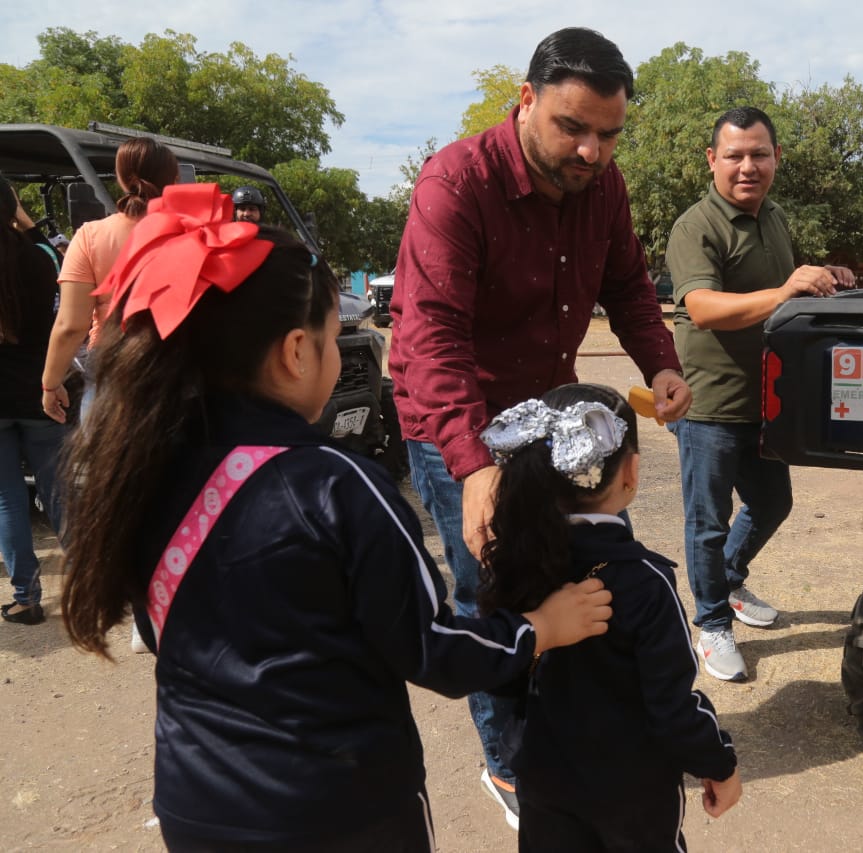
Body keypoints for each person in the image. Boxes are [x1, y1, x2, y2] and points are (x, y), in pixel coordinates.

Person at [57, 183, 613, 850]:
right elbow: (430, 647)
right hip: (341, 811)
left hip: (195, 801)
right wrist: (537, 628)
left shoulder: (141, 472)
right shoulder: (337, 484)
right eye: (330, 337)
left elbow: (157, 623)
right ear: (296, 352)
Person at [389, 26, 692, 827]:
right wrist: (472, 465)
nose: (592, 152)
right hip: (455, 424)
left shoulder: (605, 186)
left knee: (567, 576)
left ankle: (563, 731)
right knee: (495, 589)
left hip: (544, 423)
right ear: (525, 100)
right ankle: (512, 764)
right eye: (573, 127)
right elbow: (431, 333)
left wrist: (660, 360)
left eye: (608, 134)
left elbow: (629, 284)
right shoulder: (455, 183)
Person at [478, 383, 740, 850]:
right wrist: (719, 762)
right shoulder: (644, 582)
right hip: (632, 793)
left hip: (542, 780)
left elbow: (495, 677)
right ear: (631, 472)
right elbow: (673, 709)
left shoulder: (511, 565)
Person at [665, 107, 853, 682]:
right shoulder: (696, 227)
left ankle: (728, 581)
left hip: (764, 402)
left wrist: (819, 274)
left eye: (759, 154)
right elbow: (701, 308)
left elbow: (779, 286)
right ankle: (713, 622)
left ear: (775, 159)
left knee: (773, 503)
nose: (748, 167)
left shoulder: (773, 218)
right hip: (709, 406)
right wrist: (785, 288)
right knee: (708, 521)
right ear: (712, 160)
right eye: (735, 155)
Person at [42, 136, 179, 424]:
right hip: (180, 375)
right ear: (174, 178)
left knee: (109, 467)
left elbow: (70, 326)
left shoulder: (90, 237)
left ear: (120, 177)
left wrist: (50, 383)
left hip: (111, 375)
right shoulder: (195, 233)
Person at [0, 177, 66, 625]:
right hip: (41, 391)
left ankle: (26, 597)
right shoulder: (40, 257)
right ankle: (91, 583)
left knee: (6, 500)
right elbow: (59, 260)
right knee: (59, 492)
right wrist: (24, 221)